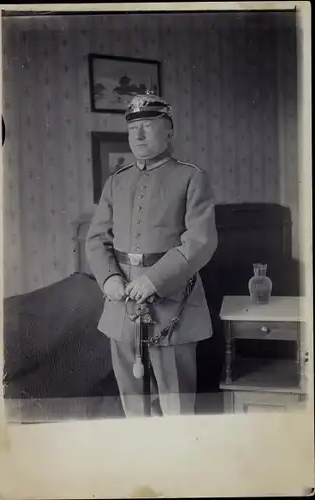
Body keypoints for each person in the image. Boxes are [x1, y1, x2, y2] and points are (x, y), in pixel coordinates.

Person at [85, 90, 218, 417]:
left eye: (148, 125)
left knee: (175, 402)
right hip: (121, 303)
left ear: (169, 131)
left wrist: (154, 279)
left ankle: (176, 463)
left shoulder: (191, 177)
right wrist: (110, 279)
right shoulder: (116, 182)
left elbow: (201, 241)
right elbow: (96, 238)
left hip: (174, 301)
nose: (139, 135)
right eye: (133, 128)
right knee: (132, 401)